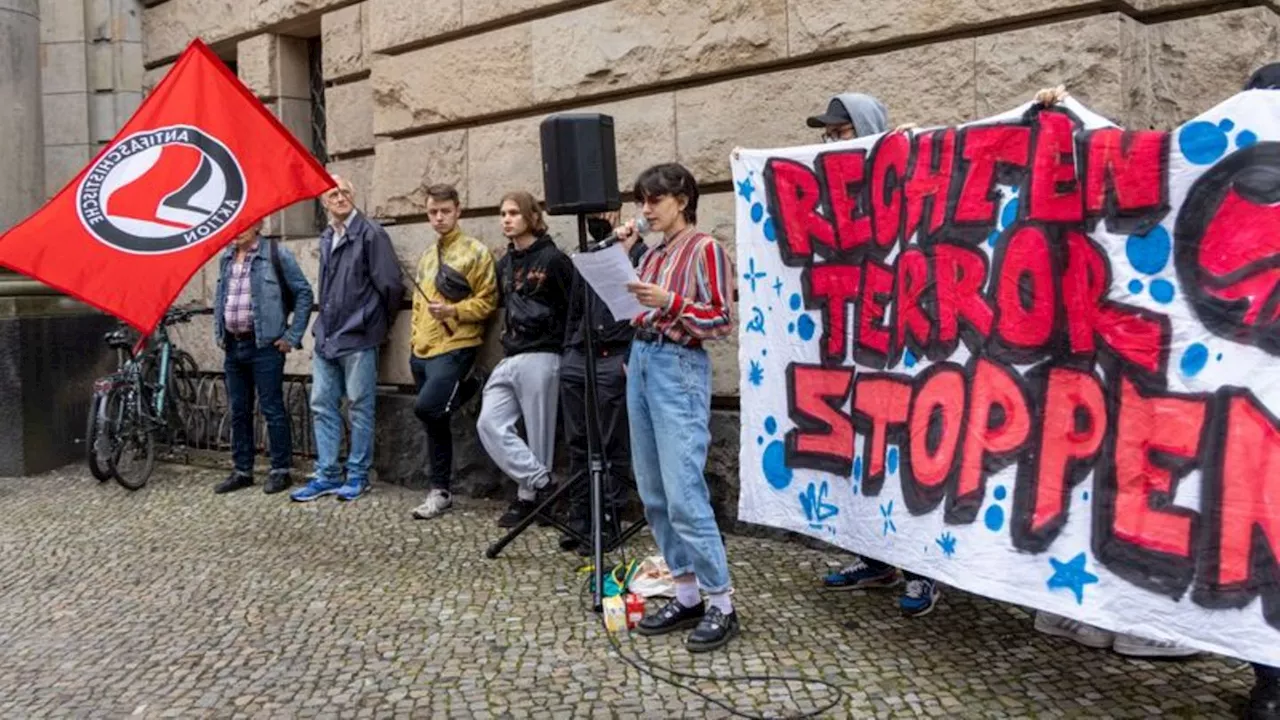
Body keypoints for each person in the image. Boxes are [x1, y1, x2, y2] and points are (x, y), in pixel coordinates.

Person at [805, 92, 942, 618]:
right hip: (855, 346)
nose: (832, 141)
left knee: (910, 463)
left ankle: (924, 572)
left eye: (840, 132)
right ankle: (874, 558)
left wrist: (906, 153)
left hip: (907, 351)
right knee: (861, 459)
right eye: (830, 134)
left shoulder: (908, 179)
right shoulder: (834, 191)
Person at [613, 163, 739, 653]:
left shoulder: (705, 248)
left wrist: (670, 302)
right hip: (642, 360)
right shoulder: (652, 252)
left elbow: (722, 319)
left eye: (655, 200)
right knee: (654, 491)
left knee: (685, 490)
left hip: (678, 364)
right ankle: (686, 593)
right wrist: (622, 260)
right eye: (642, 200)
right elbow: (635, 305)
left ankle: (721, 602)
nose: (645, 210)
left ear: (681, 200)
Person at [291, 175, 405, 503]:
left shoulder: (371, 234)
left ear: (354, 196)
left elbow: (391, 286)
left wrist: (374, 323)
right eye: (333, 193)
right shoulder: (328, 236)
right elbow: (326, 289)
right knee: (322, 404)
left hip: (359, 336)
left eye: (345, 192)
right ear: (324, 201)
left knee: (360, 406)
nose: (340, 198)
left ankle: (357, 475)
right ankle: (327, 474)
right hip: (328, 335)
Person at [477, 191, 575, 528]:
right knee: (489, 421)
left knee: (540, 432)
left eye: (514, 213)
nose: (507, 219)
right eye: (503, 213)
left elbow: (572, 308)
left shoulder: (554, 260)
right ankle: (543, 482)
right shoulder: (505, 264)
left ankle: (529, 500)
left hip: (544, 353)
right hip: (512, 353)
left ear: (531, 216)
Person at [557, 210, 648, 554]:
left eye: (604, 212)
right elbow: (574, 310)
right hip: (580, 354)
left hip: (616, 353)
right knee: (579, 441)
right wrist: (569, 351)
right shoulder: (591, 255)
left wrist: (630, 356)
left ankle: (608, 520)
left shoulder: (641, 256)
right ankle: (582, 516)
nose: (598, 219)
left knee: (612, 443)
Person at [408, 184, 498, 520]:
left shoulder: (476, 252)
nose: (439, 218)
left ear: (458, 210)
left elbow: (489, 301)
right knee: (436, 421)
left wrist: (454, 312)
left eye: (445, 211)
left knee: (428, 408)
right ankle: (440, 490)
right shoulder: (428, 256)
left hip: (457, 346)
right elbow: (417, 306)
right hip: (422, 351)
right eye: (433, 212)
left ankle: (472, 386)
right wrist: (414, 343)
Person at [211, 218, 313, 495]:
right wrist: (219, 331)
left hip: (265, 346)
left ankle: (280, 470)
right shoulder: (226, 257)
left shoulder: (275, 254)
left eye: (243, 224)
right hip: (234, 345)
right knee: (238, 410)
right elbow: (222, 296)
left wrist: (291, 336)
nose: (237, 230)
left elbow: (304, 293)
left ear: (257, 225)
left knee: (272, 408)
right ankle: (242, 470)